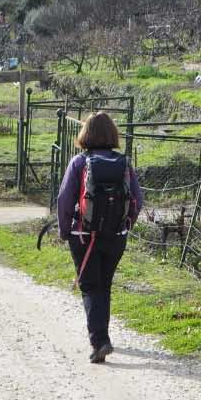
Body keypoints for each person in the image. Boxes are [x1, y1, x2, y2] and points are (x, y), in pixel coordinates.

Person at [56, 112, 143, 364]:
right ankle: (102, 335)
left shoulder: (79, 163)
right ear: (112, 134)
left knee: (90, 286)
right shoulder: (124, 163)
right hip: (116, 236)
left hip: (83, 236)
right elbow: (138, 199)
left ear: (86, 134)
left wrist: (64, 231)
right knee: (104, 284)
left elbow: (64, 201)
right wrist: (126, 224)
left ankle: (99, 341)